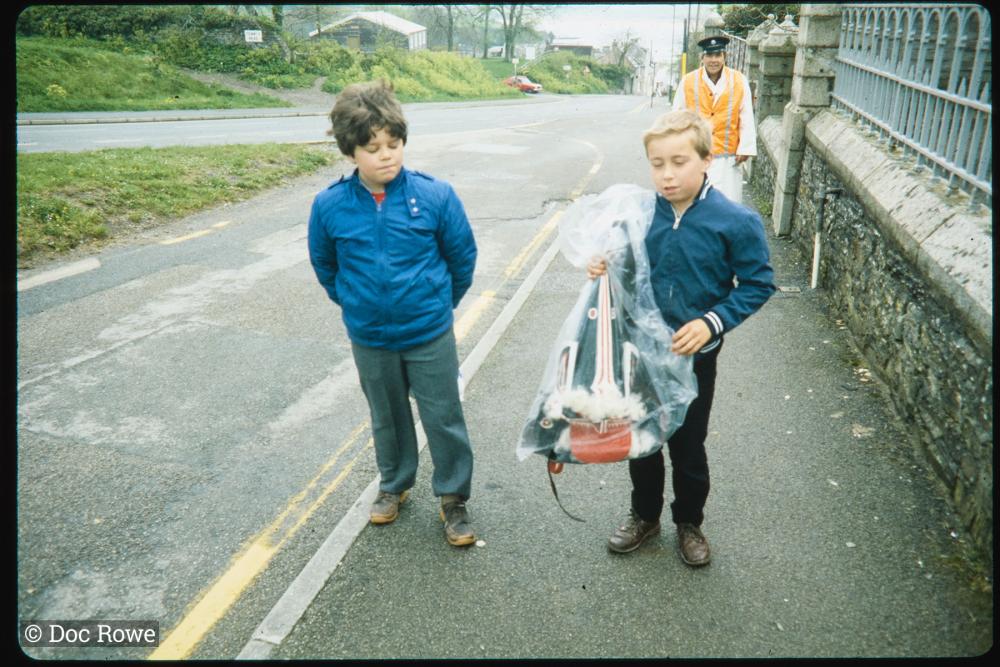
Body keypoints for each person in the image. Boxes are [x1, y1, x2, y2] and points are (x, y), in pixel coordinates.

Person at [587, 110, 775, 566]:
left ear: (707, 160)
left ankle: (688, 521)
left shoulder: (734, 221)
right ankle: (644, 515)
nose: (666, 175)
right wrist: (603, 266)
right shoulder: (638, 215)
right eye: (657, 164)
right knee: (644, 438)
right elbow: (622, 265)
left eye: (679, 162)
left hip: (695, 356)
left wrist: (712, 321)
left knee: (688, 445)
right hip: (641, 352)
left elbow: (758, 283)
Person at [307, 80, 479, 547]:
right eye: (372, 147)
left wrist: (437, 305)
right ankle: (394, 484)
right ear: (350, 152)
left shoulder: (436, 196)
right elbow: (326, 267)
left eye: (394, 144)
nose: (386, 156)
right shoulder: (329, 206)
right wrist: (357, 304)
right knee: (386, 414)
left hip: (428, 333)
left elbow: (462, 259)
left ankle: (453, 498)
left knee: (443, 415)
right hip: (370, 336)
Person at [673, 35, 756, 203]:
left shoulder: (739, 80)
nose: (713, 60)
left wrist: (745, 148)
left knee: (727, 204)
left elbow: (746, 114)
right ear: (702, 58)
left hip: (728, 158)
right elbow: (677, 116)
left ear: (725, 57)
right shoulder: (688, 81)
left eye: (718, 55)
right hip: (697, 155)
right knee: (697, 203)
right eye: (709, 55)